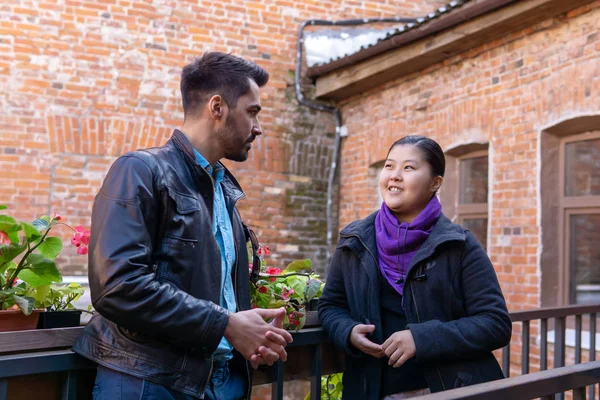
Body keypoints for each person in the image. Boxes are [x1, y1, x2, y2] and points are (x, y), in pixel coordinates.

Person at [72, 52, 293, 400]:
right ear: (217, 107)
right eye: (252, 111)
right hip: (148, 382)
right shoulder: (140, 171)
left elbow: (212, 297)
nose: (258, 127)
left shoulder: (223, 190)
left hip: (218, 382)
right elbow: (118, 287)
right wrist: (225, 323)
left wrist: (247, 333)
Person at [318, 135, 512, 400]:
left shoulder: (459, 245)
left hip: (449, 391)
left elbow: (495, 323)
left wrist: (421, 339)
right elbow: (331, 306)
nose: (395, 176)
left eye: (408, 168)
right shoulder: (355, 240)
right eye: (389, 166)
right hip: (372, 390)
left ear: (435, 183)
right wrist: (348, 332)